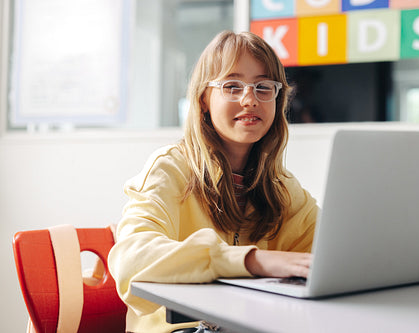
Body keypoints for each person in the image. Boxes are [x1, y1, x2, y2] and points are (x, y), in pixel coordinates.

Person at [108, 30, 319, 333]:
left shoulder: (282, 187)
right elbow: (131, 260)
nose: (250, 99)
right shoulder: (170, 168)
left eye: (263, 87)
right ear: (204, 99)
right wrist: (251, 261)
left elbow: (327, 257)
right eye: (232, 86)